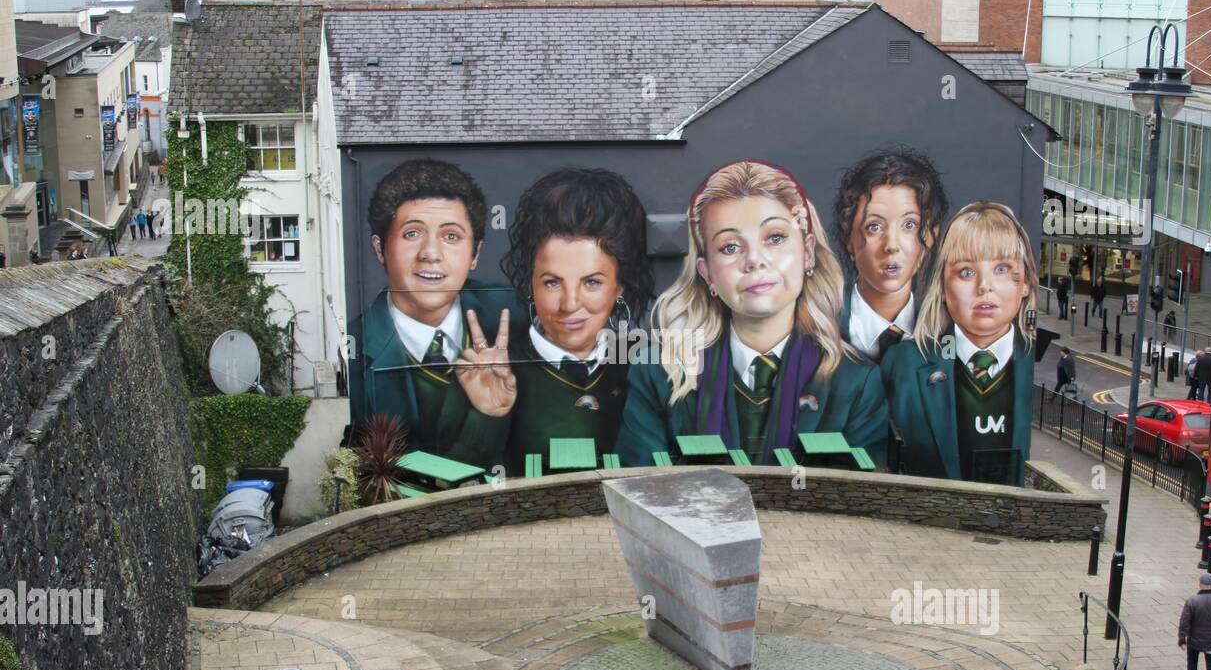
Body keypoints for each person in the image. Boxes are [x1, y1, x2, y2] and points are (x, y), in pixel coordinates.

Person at [615, 160, 890, 468]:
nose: (754, 260)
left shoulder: (856, 381)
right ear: (707, 273)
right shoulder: (659, 373)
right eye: (730, 247)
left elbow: (861, 504)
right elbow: (639, 493)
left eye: (774, 238)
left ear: (808, 252)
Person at [346, 159, 526, 469]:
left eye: (451, 236)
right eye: (412, 233)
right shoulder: (353, 350)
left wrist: (492, 411)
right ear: (379, 248)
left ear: (475, 254)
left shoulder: (517, 315)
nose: (431, 253)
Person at [499, 168, 654, 476]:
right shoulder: (497, 368)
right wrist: (487, 415)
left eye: (592, 283)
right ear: (531, 283)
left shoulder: (645, 364)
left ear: (619, 286)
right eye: (552, 283)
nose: (570, 305)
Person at [880, 202, 1036, 485]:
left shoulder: (1034, 359)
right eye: (966, 272)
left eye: (1002, 268)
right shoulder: (903, 363)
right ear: (942, 286)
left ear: (1025, 282)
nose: (984, 286)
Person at [832, 149, 949, 364]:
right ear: (849, 238)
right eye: (874, 227)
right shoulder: (819, 328)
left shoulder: (947, 333)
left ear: (931, 236)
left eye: (909, 225)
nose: (892, 245)